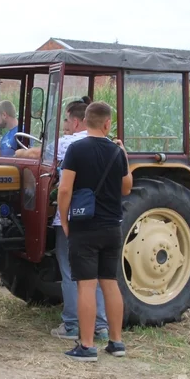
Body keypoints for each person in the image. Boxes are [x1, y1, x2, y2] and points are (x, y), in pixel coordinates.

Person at [57, 101, 132, 362]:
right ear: (107, 123)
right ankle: (116, 342)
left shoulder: (76, 149)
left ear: (85, 121)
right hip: (113, 227)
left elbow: (65, 189)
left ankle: (87, 346)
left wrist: (64, 219)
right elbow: (126, 188)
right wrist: (123, 154)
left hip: (85, 226)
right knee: (110, 284)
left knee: (86, 286)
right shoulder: (117, 152)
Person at [47, 99, 110, 341]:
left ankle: (72, 324)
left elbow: (63, 189)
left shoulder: (67, 144)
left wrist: (62, 218)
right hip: (101, 218)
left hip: (74, 216)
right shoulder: (112, 146)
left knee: (71, 271)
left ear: (75, 121)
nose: (64, 124)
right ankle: (101, 326)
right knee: (98, 273)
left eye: (65, 120)